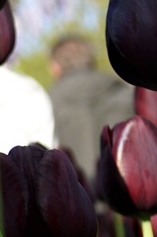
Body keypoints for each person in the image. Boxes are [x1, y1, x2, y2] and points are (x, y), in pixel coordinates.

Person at [47, 35, 133, 175]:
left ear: (55, 67)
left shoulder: (47, 103)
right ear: (92, 61)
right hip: (125, 191)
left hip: (74, 192)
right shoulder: (126, 94)